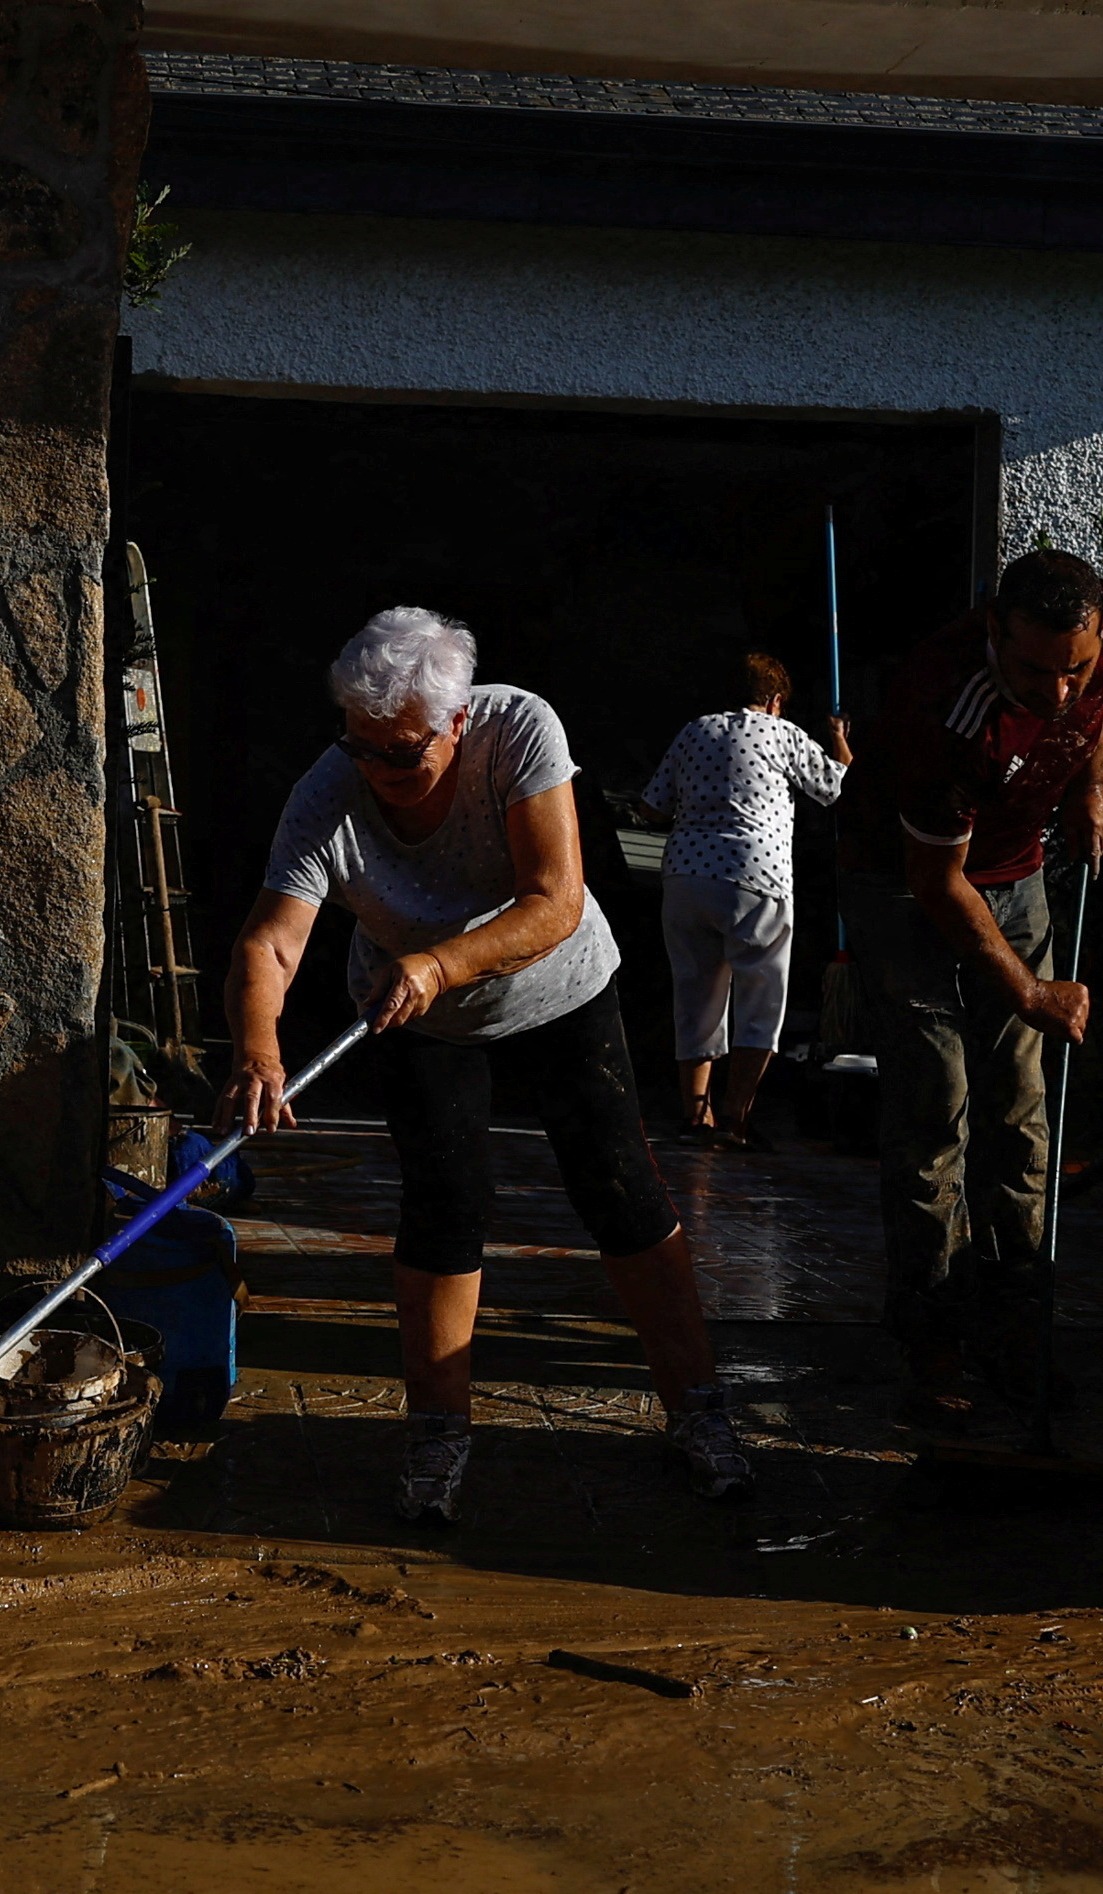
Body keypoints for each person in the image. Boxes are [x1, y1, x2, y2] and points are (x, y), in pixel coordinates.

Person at [225, 606, 745, 1523]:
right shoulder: (330, 786)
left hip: (558, 988)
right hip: (415, 1013)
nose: (381, 773)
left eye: (404, 753)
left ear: (457, 720)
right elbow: (272, 944)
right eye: (363, 749)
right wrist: (258, 1048)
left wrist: (440, 963)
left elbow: (555, 897)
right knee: (442, 1207)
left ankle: (699, 1409)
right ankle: (436, 1434)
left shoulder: (520, 730)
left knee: (621, 1191)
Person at [857, 550, 1103, 1436]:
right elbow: (939, 887)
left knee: (1021, 1112)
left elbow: (1094, 703)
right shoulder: (948, 709)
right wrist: (1030, 993)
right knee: (935, 1110)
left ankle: (1018, 1326)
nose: (1057, 693)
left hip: (1017, 879)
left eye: (1074, 667)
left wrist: (1093, 783)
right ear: (991, 632)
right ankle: (932, 1338)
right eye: (1031, 671)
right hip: (907, 887)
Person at [634, 651, 849, 1143]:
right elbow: (840, 790)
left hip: (687, 877)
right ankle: (734, 1118)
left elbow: (651, 806)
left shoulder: (694, 731)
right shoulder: (783, 734)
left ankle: (695, 1116)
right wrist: (839, 741)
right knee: (760, 1001)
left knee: (696, 996)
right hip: (757, 877)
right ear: (775, 701)